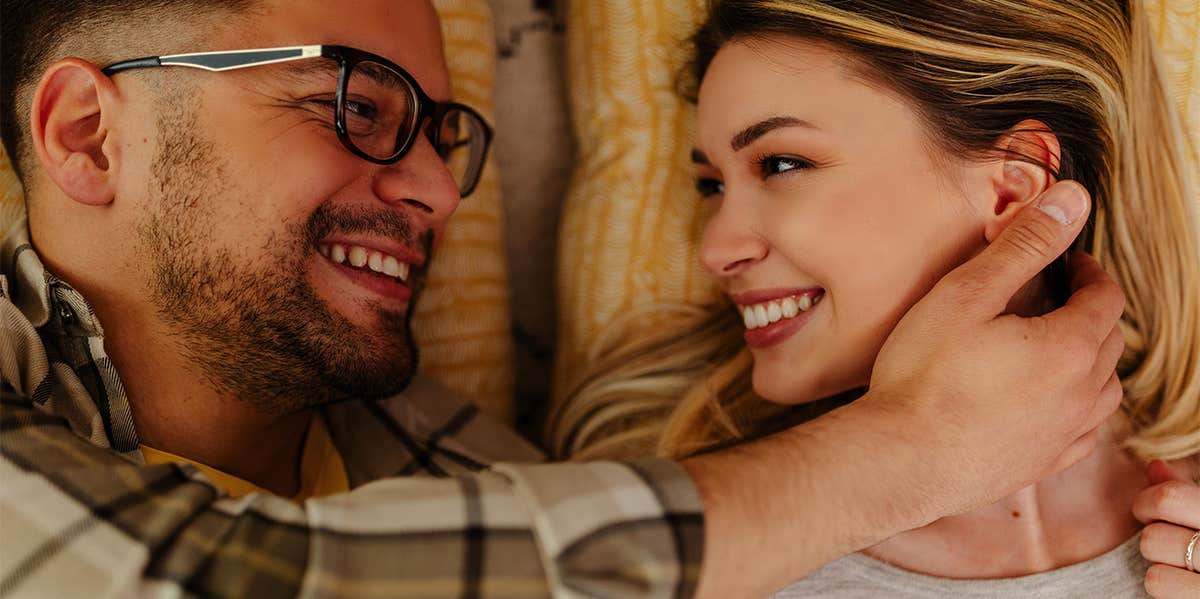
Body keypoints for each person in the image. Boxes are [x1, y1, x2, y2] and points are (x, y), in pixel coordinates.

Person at [0, 0, 1126, 597]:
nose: (442, 190)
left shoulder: (508, 483)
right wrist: (916, 448)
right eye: (355, 102)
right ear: (90, 136)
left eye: (444, 135)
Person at [550, 0, 1200, 597]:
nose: (714, 251)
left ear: (1012, 189)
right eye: (710, 185)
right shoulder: (657, 524)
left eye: (780, 164)